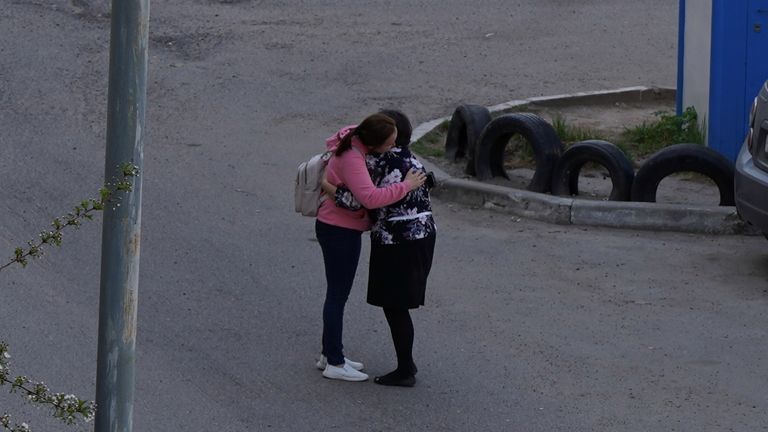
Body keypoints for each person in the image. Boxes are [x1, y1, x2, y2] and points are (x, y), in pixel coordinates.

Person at [326, 109, 437, 387]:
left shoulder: (378, 161)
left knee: (395, 305)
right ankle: (405, 365)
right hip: (424, 234)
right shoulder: (409, 157)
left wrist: (327, 187)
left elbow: (360, 201)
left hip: (398, 239)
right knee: (397, 304)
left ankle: (405, 369)